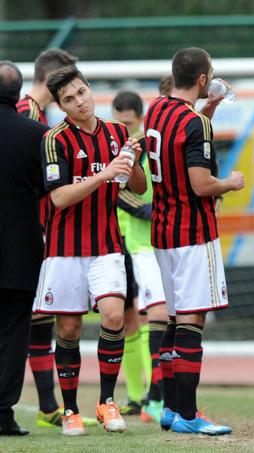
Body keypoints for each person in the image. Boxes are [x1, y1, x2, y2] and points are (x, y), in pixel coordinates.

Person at [32, 66, 146, 436]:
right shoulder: (55, 139)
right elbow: (60, 197)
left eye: (82, 92)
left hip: (106, 246)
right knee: (68, 327)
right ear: (62, 106)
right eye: (70, 99)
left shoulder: (117, 132)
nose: (80, 101)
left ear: (89, 89)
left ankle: (108, 402)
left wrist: (132, 163)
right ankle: (69, 409)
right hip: (64, 249)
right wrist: (103, 174)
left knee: (114, 316)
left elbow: (139, 187)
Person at [145, 47, 243, 435]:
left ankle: (170, 409)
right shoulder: (193, 124)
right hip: (192, 232)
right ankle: (188, 414)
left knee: (173, 318)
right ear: (202, 79)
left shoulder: (157, 109)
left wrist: (212, 106)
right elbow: (201, 184)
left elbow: (182, 136)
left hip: (163, 231)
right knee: (192, 320)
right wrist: (230, 184)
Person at [15, 48, 90, 429]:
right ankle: (47, 405)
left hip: (37, 229)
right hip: (35, 229)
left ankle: (48, 407)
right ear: (54, 79)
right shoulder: (29, 115)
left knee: (40, 318)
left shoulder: (35, 113)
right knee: (36, 317)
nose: (75, 95)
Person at [113, 90, 168, 423]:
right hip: (121, 243)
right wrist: (146, 209)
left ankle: (154, 393)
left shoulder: (147, 148)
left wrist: (152, 211)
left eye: (129, 123)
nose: (125, 129)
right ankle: (136, 396)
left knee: (153, 316)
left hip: (145, 244)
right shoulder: (117, 150)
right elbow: (116, 192)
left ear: (140, 119)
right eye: (119, 123)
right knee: (128, 318)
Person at [0, 61, 49, 436]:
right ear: (19, 96)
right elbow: (49, 189)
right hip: (20, 250)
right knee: (14, 334)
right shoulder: (37, 134)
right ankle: (2, 414)